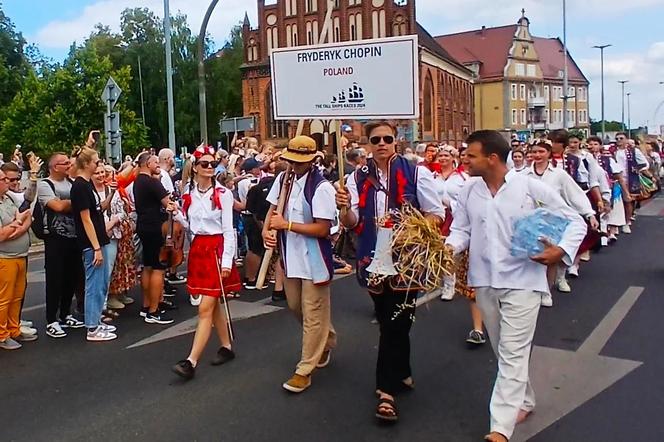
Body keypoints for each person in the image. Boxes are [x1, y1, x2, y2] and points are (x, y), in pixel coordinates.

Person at [445, 130, 586, 442]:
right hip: (484, 281)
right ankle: (524, 399)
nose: (464, 160)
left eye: (471, 155)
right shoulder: (469, 191)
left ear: (492, 158)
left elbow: (575, 221)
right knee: (502, 350)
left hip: (523, 281)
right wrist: (445, 249)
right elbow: (461, 229)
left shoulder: (529, 188)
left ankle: (500, 429)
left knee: (512, 351)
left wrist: (560, 251)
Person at [336, 122, 445, 422]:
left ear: (396, 141)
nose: (382, 143)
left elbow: (437, 213)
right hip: (372, 257)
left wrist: (414, 230)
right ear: (368, 144)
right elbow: (350, 222)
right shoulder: (356, 177)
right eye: (376, 140)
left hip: (407, 260)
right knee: (391, 319)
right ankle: (404, 371)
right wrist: (343, 208)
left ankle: (385, 391)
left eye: (387, 138)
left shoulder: (416, 172)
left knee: (395, 322)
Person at [263, 135, 338, 394]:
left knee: (313, 313)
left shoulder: (322, 188)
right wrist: (267, 230)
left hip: (314, 260)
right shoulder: (283, 180)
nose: (294, 165)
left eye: (299, 161)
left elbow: (323, 228)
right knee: (296, 307)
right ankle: (325, 340)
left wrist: (288, 226)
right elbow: (273, 210)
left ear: (311, 161)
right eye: (291, 160)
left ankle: (304, 369)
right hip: (290, 259)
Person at [172, 145, 241, 380]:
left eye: (213, 164)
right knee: (213, 305)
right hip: (199, 250)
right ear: (195, 168)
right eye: (205, 164)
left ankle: (191, 361)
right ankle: (227, 346)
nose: (210, 168)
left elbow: (229, 230)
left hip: (217, 251)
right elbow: (192, 226)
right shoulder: (188, 193)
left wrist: (227, 262)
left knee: (204, 308)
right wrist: (176, 214)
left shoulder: (223, 194)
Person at [70, 147, 117, 342]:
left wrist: (112, 193)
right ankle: (92, 327)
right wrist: (96, 247)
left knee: (100, 285)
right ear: (87, 164)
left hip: (99, 239)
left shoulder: (86, 185)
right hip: (92, 243)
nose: (99, 165)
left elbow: (97, 210)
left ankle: (96, 320)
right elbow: (86, 219)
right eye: (96, 162)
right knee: (94, 285)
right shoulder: (80, 187)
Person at [38, 152, 85, 338]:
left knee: (71, 278)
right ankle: (52, 319)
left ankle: (65, 314)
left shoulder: (72, 184)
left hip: (74, 237)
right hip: (55, 238)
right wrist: (74, 203)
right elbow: (56, 207)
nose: (69, 165)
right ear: (55, 167)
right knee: (55, 279)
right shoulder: (45, 185)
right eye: (65, 163)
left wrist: (67, 203)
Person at [133, 153, 178, 325]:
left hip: (143, 225)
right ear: (148, 163)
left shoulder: (138, 182)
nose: (158, 165)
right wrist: (174, 205)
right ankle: (154, 310)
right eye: (155, 162)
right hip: (154, 226)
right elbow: (169, 204)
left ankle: (147, 305)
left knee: (148, 265)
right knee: (158, 268)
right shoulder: (153, 182)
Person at [0, 167, 35, 350]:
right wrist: (17, 224)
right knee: (4, 298)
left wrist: (17, 226)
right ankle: (2, 335)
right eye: (4, 179)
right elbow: (1, 235)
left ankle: (14, 329)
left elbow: (27, 215)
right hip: (4, 258)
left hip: (19, 255)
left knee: (17, 296)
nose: (8, 181)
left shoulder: (8, 198)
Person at [237, 158, 264, 290]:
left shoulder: (241, 182)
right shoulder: (250, 183)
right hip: (251, 214)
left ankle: (249, 277)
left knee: (252, 248)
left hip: (246, 215)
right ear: (252, 169)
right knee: (256, 248)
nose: (259, 169)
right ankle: (252, 279)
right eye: (257, 167)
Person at [614, 132, 649, 232]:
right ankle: (616, 224)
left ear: (626, 140)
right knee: (616, 202)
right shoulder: (613, 152)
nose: (619, 140)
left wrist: (637, 169)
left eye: (621, 138)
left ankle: (626, 222)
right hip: (616, 179)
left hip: (630, 178)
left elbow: (644, 163)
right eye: (617, 139)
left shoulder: (633, 151)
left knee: (628, 201)